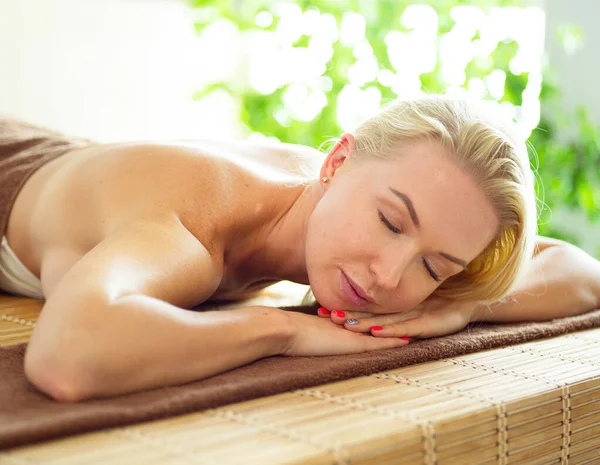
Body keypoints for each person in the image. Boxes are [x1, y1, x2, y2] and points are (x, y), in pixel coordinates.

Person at [0, 96, 598, 403]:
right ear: (337, 160)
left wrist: (464, 306)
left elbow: (582, 271)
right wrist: (280, 332)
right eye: (391, 223)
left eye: (434, 265)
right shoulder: (190, 228)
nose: (390, 278)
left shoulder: (356, 193)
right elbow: (67, 357)